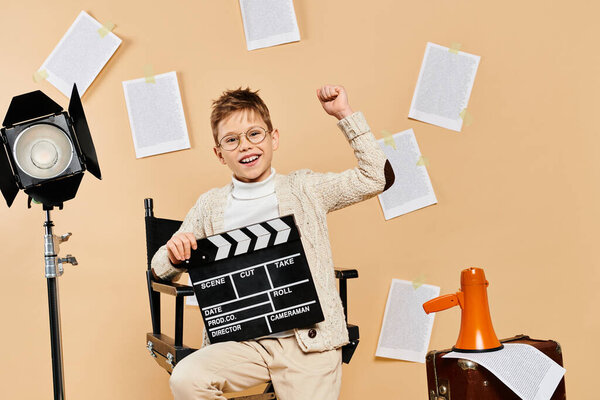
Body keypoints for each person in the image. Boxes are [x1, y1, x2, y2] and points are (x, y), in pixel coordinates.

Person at [151, 84, 394, 400]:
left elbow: (376, 177)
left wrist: (344, 115)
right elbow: (158, 268)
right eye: (231, 140)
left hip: (308, 343)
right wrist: (174, 253)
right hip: (242, 345)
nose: (245, 146)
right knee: (187, 378)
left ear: (273, 138)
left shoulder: (305, 189)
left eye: (255, 134)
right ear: (219, 153)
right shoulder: (209, 206)